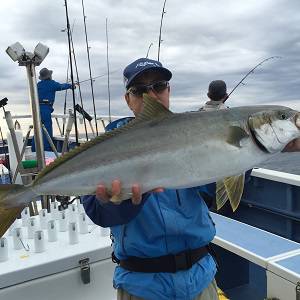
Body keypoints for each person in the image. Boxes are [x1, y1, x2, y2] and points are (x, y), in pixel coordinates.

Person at [82, 58, 219, 300]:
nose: (151, 95)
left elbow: (216, 192)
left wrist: (258, 151)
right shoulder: (105, 147)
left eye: (159, 86)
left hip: (201, 278)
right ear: (128, 99)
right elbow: (98, 212)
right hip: (142, 286)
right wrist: (122, 202)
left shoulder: (195, 136)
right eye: (140, 90)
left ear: (169, 90)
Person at [32, 67, 74, 152]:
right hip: (45, 109)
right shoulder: (52, 83)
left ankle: (34, 149)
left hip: (36, 109)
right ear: (49, 76)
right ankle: (47, 151)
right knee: (47, 130)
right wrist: (71, 86)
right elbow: (61, 86)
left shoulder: (38, 85)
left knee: (37, 129)